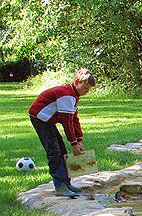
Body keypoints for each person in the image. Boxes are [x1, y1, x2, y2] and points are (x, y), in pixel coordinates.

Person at [28, 68, 96, 198]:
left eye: (89, 89)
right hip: (40, 118)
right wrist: (74, 143)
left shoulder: (74, 95)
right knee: (54, 152)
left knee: (62, 150)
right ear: (76, 82)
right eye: (85, 87)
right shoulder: (67, 95)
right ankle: (60, 187)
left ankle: (66, 183)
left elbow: (74, 119)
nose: (86, 91)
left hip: (48, 120)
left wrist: (79, 139)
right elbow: (67, 122)